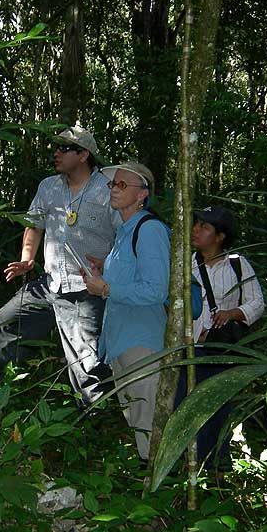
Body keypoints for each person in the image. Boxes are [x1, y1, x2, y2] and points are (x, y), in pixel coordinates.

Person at [0, 125, 119, 406]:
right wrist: (27, 259)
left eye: (64, 148)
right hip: (50, 284)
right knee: (4, 323)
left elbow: (125, 233)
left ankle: (95, 419)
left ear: (84, 155)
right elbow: (34, 225)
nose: (56, 153)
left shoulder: (108, 190)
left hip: (87, 289)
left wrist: (110, 264)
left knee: (87, 364)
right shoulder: (48, 187)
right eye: (56, 147)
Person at [83, 162, 169, 460]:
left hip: (141, 341)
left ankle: (159, 490)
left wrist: (106, 289)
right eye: (112, 184)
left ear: (142, 194)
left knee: (147, 420)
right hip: (120, 339)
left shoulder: (150, 230)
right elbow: (129, 279)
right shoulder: (124, 231)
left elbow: (156, 290)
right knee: (136, 418)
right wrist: (103, 270)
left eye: (122, 185)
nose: (114, 190)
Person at [175, 205, 265, 470]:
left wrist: (233, 313)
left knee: (217, 408)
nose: (196, 230)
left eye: (204, 227)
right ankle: (184, 465)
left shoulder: (237, 264)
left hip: (221, 352)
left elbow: (257, 302)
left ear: (220, 236)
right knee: (185, 406)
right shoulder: (184, 264)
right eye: (197, 224)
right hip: (189, 350)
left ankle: (216, 467)